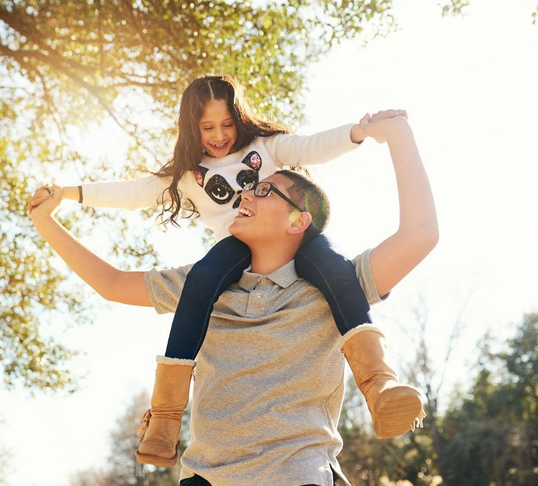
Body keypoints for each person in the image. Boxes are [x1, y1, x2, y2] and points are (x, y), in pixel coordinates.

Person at [28, 75, 422, 468]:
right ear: (191, 129)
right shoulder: (186, 174)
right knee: (201, 280)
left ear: (239, 118)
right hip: (232, 252)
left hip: (298, 244)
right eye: (207, 127)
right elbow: (132, 195)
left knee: (335, 271)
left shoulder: (266, 149)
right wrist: (67, 195)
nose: (219, 136)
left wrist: (361, 131)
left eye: (227, 124)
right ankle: (165, 417)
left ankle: (378, 383)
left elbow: (312, 146)